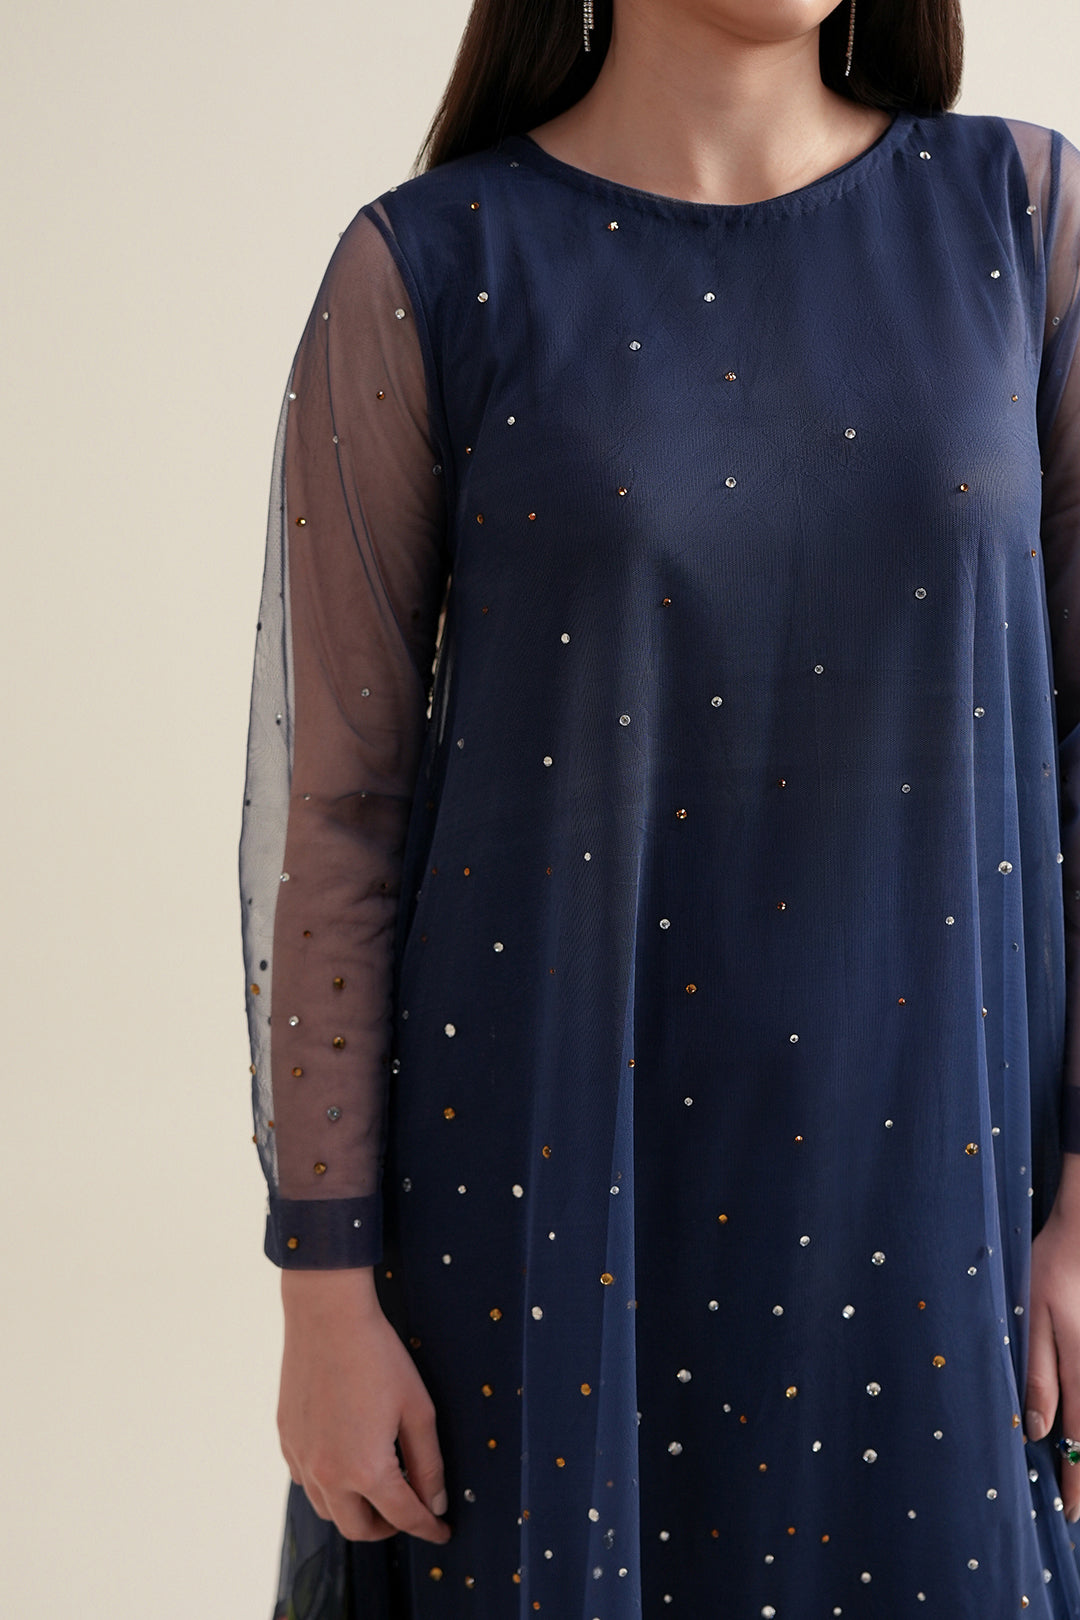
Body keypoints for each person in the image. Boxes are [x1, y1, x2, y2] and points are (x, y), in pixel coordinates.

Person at [239, 0, 1080, 1611]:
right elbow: (341, 812)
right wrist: (324, 1293)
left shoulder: (1022, 223)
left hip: (942, 1227)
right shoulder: (430, 270)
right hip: (541, 1235)